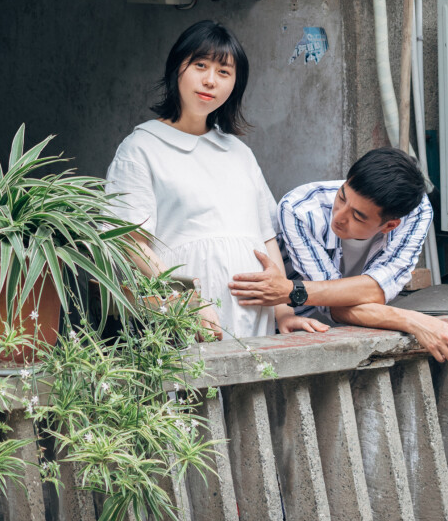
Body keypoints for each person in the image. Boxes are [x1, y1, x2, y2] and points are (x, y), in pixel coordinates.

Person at [104, 20, 326, 340]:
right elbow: (129, 240)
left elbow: (265, 237)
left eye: (224, 72)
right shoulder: (141, 148)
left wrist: (283, 311)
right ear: (176, 68)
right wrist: (185, 300)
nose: (210, 80)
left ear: (235, 84)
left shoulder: (239, 153)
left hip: (254, 316)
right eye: (200, 65)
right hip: (186, 317)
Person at [228, 148, 448, 362]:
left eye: (358, 216)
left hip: (355, 329)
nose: (339, 216)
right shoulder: (300, 209)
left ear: (390, 225)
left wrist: (291, 289)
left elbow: (374, 290)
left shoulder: (416, 214)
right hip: (292, 327)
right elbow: (333, 304)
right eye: (342, 196)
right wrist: (415, 321)